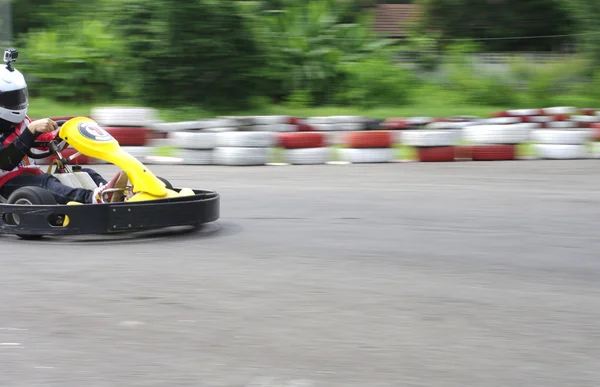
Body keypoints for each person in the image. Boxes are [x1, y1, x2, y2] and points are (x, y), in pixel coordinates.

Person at [0, 49, 128, 204]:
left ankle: (115, 196)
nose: (18, 102)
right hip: (6, 183)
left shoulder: (21, 122)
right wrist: (31, 130)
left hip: (31, 177)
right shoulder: (27, 127)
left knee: (84, 173)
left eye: (20, 95)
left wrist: (65, 134)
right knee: (46, 183)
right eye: (12, 98)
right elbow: (5, 161)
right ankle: (93, 199)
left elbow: (45, 142)